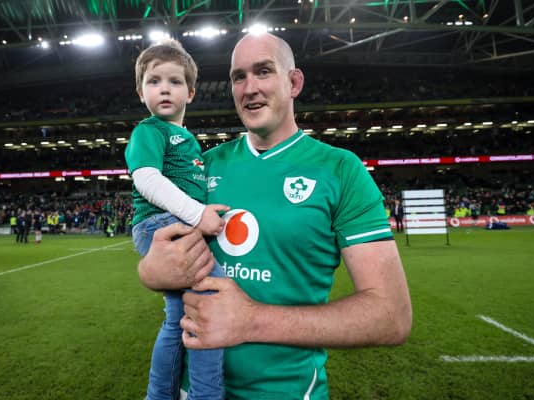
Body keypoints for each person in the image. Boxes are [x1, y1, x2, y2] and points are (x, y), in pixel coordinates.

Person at [137, 33, 412, 399]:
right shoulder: (203, 165)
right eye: (239, 77)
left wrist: (251, 320)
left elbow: (391, 316)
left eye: (263, 71)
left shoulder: (341, 170)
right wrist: (149, 272)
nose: (249, 88)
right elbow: (158, 247)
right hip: (192, 391)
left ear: (294, 82)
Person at [124, 39, 229, 400]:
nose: (164, 88)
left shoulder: (189, 141)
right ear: (141, 93)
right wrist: (199, 214)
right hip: (160, 224)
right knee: (211, 298)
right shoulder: (150, 130)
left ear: (191, 92)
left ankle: (160, 394)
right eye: (154, 81)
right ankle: (206, 395)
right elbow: (146, 180)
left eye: (174, 81)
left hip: (172, 222)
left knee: (177, 318)